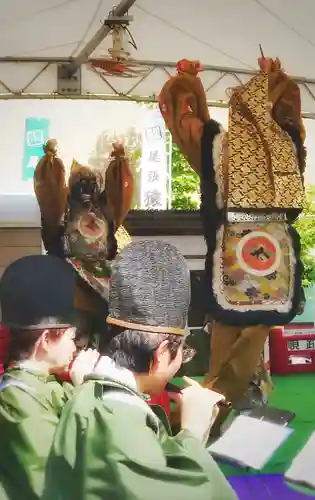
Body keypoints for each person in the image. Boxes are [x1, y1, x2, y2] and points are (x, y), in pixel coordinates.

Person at [159, 57, 306, 432]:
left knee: (229, 332)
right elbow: (288, 109)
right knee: (254, 331)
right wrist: (274, 79)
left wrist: (188, 84)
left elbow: (182, 118)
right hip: (272, 256)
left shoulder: (216, 144)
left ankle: (216, 408)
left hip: (233, 254)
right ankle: (234, 401)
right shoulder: (287, 143)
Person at [43, 240, 237, 500]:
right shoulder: (117, 414)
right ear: (160, 354)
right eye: (183, 352)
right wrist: (194, 428)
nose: (181, 362)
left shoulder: (97, 395)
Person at [0, 254, 99, 500]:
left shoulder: (45, 383)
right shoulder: (17, 401)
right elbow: (52, 484)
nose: (75, 346)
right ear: (46, 340)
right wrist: (85, 389)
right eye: (70, 338)